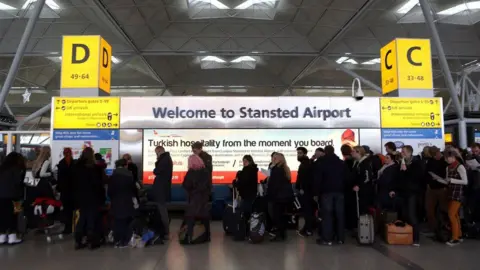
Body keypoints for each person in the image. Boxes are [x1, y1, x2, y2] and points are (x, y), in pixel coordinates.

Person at [389, 145, 423, 247]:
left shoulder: (416, 163)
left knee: (412, 215)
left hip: (412, 192)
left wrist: (406, 170)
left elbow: (417, 177)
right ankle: (405, 236)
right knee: (404, 214)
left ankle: (416, 238)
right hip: (402, 192)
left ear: (409, 152)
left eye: (404, 151)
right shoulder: (400, 163)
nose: (402, 153)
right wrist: (393, 189)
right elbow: (398, 177)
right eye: (401, 151)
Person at [73, 147, 106, 250]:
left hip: (81, 196)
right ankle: (91, 241)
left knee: (82, 217)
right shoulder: (94, 168)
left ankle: (78, 240)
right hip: (93, 196)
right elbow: (98, 184)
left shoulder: (77, 167)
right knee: (92, 218)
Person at [314, 145, 348, 246]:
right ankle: (340, 238)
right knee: (340, 215)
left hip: (326, 192)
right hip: (340, 192)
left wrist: (315, 193)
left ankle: (327, 239)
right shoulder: (341, 163)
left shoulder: (321, 162)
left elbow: (317, 179)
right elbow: (347, 177)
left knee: (327, 215)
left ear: (325, 152)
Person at [435, 150, 468, 246]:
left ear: (453, 157)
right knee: (455, 215)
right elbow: (447, 181)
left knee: (451, 214)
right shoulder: (448, 168)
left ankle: (455, 237)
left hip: (458, 193)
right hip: (451, 192)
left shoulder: (460, 166)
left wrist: (452, 180)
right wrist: (439, 180)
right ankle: (459, 235)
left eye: (447, 158)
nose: (446, 160)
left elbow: (465, 181)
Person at [108, 159, 137, 248]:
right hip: (127, 202)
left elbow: (110, 192)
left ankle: (117, 241)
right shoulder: (129, 176)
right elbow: (133, 190)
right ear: (125, 165)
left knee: (117, 222)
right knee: (126, 222)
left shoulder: (112, 176)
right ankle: (124, 241)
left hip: (116, 202)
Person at [182, 154, 212, 244]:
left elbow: (185, 185)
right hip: (204, 198)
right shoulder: (206, 172)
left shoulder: (191, 173)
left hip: (194, 198)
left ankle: (190, 237)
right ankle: (207, 236)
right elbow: (209, 185)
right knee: (204, 216)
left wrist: (192, 190)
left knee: (191, 217)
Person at [0, 152, 26, 245]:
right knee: (14, 215)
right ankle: (12, 236)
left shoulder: (2, 168)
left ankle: (2, 237)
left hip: (1, 196)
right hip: (15, 197)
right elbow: (18, 183)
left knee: (2, 216)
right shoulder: (17, 169)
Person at [267, 153, 294, 241]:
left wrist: (270, 195)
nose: (273, 160)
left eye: (275, 158)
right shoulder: (285, 169)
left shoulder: (277, 169)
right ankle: (282, 234)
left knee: (277, 216)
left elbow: (274, 185)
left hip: (277, 197)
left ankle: (279, 235)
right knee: (282, 216)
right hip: (284, 197)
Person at [425, 146, 448, 235]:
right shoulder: (430, 162)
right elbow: (426, 173)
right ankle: (433, 228)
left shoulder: (444, 161)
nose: (436, 156)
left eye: (437, 154)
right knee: (429, 209)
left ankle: (444, 227)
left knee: (444, 209)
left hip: (442, 188)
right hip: (431, 188)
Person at [152, 146, 173, 239]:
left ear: (160, 151)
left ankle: (165, 231)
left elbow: (156, 171)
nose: (156, 155)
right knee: (162, 209)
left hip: (161, 189)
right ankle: (165, 230)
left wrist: (156, 165)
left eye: (156, 153)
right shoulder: (167, 159)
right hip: (163, 188)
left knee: (162, 210)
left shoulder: (164, 160)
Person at [234, 155, 258, 232]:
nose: (244, 162)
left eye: (246, 161)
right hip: (250, 194)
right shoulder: (253, 170)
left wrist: (235, 183)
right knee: (248, 211)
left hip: (247, 194)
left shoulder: (248, 170)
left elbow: (243, 182)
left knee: (245, 212)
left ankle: (245, 229)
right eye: (243, 161)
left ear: (250, 161)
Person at [295, 147, 314, 237]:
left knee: (307, 211)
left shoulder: (306, 163)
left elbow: (305, 178)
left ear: (305, 154)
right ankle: (307, 229)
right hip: (306, 190)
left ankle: (308, 230)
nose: (298, 155)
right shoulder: (306, 163)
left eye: (300, 153)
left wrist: (302, 188)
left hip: (306, 191)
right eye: (298, 153)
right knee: (307, 211)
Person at [56, 148, 75, 235]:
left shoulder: (61, 163)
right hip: (71, 190)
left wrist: (59, 189)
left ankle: (68, 227)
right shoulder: (74, 163)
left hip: (66, 191)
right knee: (70, 210)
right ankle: (71, 227)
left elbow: (59, 178)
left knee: (67, 210)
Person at [351, 146, 374, 216]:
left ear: (358, 152)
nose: (351, 153)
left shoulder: (365, 162)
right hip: (358, 190)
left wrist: (359, 185)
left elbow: (367, 177)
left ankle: (365, 225)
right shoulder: (356, 162)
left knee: (363, 209)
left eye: (353, 151)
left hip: (364, 190)